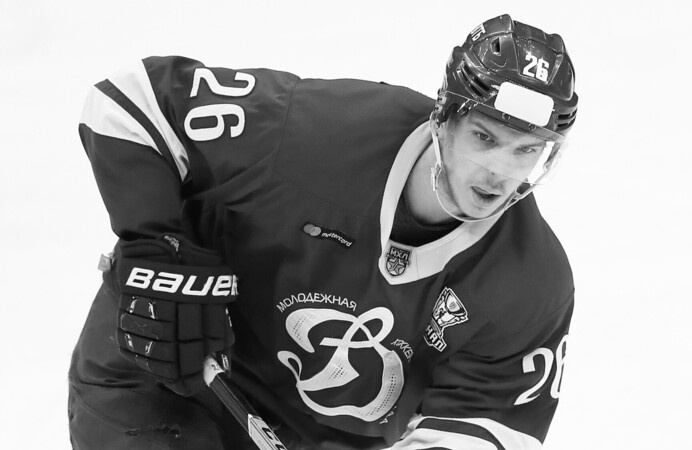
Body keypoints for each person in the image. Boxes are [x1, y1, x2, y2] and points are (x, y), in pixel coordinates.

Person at [68, 13, 578, 449]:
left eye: (526, 150)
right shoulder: (316, 134)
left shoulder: (531, 286)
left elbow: (479, 431)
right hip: (159, 369)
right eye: (484, 137)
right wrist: (155, 245)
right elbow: (131, 100)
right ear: (443, 118)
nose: (499, 174)